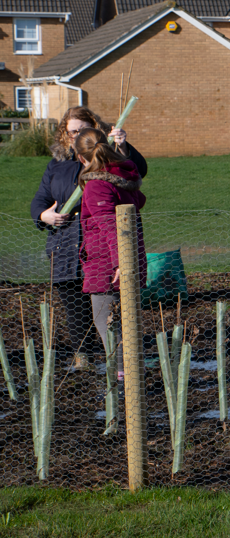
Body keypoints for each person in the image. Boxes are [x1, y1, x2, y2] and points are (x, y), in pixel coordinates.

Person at [31, 106, 148, 367]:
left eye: (81, 130)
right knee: (91, 312)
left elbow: (111, 223)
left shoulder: (101, 179)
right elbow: (40, 200)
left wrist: (120, 262)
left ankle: (122, 372)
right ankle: (96, 362)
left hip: (103, 256)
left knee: (106, 317)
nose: (74, 135)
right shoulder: (62, 166)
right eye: (71, 131)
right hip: (71, 248)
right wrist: (43, 215)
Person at [73, 128, 147, 368]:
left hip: (108, 265)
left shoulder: (96, 185)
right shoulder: (121, 176)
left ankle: (123, 379)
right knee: (125, 323)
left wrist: (119, 263)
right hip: (128, 259)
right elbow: (139, 200)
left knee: (107, 324)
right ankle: (131, 376)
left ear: (81, 157)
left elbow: (110, 227)